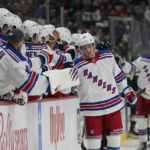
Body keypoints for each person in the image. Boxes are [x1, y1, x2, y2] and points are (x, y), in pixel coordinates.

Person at [73, 33, 137, 150]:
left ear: (93, 45)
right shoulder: (77, 65)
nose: (88, 50)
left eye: (90, 46)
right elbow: (70, 86)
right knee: (94, 145)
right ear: (81, 50)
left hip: (112, 106)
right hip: (91, 110)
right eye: (85, 48)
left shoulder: (107, 56)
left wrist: (127, 90)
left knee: (115, 142)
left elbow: (118, 76)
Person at [0, 29, 50, 103]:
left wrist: (40, 59)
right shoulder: (16, 62)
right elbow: (30, 85)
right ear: (19, 43)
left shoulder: (2, 47)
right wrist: (51, 83)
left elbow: (26, 63)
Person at [121, 56, 150, 150]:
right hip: (143, 95)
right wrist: (124, 65)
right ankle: (143, 143)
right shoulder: (143, 59)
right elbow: (132, 67)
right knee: (141, 121)